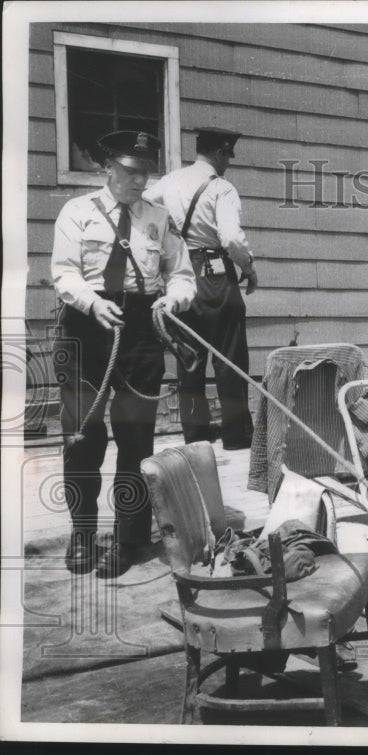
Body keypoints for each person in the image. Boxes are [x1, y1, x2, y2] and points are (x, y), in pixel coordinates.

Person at [51, 130, 196, 578]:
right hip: (86, 328)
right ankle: (82, 535)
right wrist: (93, 303)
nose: (139, 181)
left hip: (138, 334)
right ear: (107, 168)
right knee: (82, 439)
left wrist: (173, 299)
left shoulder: (158, 217)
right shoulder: (76, 212)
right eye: (131, 172)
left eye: (145, 172)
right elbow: (63, 272)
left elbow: (182, 273)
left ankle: (128, 539)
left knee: (136, 442)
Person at [143, 127, 258, 451]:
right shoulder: (222, 188)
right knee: (229, 355)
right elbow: (232, 239)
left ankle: (195, 434)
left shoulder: (170, 181)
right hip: (217, 275)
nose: (227, 165)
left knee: (189, 358)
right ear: (221, 153)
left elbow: (144, 204)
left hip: (180, 273)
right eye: (227, 158)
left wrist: (170, 233)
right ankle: (236, 434)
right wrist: (248, 268)